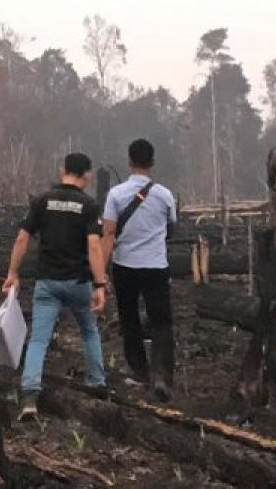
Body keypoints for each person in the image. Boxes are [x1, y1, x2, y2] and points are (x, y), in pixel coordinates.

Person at [4, 153, 108, 419]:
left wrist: (13, 272)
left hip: (47, 283)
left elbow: (22, 239)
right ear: (86, 174)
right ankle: (97, 384)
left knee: (38, 339)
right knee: (89, 332)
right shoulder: (88, 205)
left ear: (62, 170)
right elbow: (94, 246)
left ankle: (29, 396)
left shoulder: (42, 201)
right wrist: (100, 284)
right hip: (78, 282)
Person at [102, 138, 177, 401]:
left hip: (124, 266)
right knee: (161, 321)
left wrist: (101, 272)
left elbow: (108, 233)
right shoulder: (165, 195)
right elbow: (170, 228)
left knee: (129, 319)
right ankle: (162, 376)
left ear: (129, 161)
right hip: (156, 266)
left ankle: (140, 370)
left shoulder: (115, 195)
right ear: (152, 162)